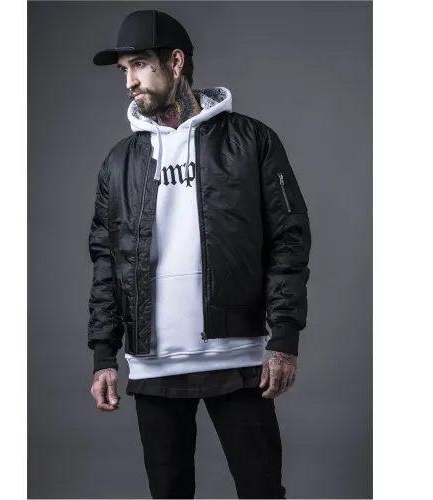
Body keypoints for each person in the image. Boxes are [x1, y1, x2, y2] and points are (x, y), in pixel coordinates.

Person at [88, 10, 311, 499]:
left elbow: (288, 241)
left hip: (238, 356)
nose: (129, 82)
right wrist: (105, 355)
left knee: (261, 490)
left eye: (139, 65)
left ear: (175, 62)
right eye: (124, 70)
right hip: (153, 362)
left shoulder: (251, 140)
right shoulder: (120, 162)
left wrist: (284, 339)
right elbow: (106, 261)